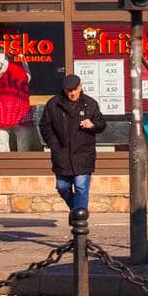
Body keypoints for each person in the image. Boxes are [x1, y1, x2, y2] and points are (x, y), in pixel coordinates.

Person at [37, 74, 106, 215]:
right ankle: (76, 211)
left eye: (75, 89)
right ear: (64, 89)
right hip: (61, 153)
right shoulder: (53, 104)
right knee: (62, 186)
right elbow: (45, 126)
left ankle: (79, 219)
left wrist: (92, 124)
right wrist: (54, 144)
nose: (72, 93)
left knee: (81, 187)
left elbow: (102, 124)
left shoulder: (90, 104)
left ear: (80, 87)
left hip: (83, 154)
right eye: (69, 90)